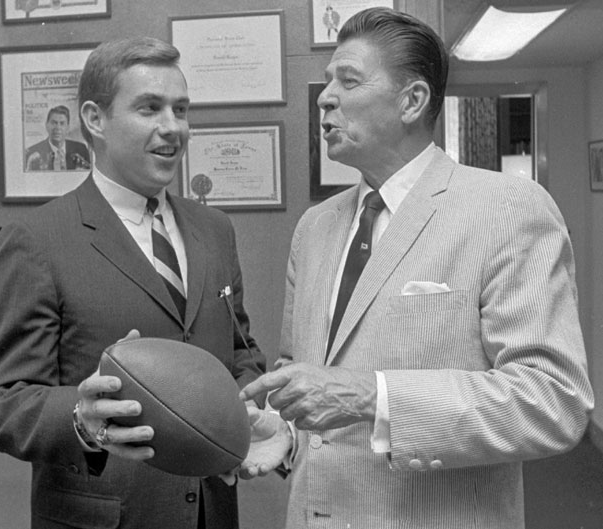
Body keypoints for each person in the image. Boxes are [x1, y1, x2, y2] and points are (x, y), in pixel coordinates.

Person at [240, 7, 594, 528]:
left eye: (348, 80)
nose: (324, 97)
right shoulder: (315, 228)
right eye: (328, 80)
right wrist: (287, 432)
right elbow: (306, 373)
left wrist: (372, 395)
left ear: (412, 101)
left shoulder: (507, 209)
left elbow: (552, 402)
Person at [0, 37, 267, 529]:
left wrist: (251, 408)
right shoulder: (36, 239)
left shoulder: (215, 230)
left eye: (181, 109)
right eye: (150, 108)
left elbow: (239, 353)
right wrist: (81, 419)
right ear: (95, 119)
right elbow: (4, 403)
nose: (173, 127)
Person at [25, 105, 91, 171]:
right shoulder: (32, 153)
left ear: (68, 127)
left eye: (62, 123)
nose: (58, 128)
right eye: (54, 123)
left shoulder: (81, 150)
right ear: (47, 125)